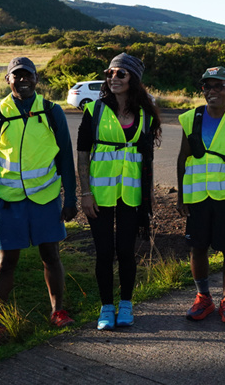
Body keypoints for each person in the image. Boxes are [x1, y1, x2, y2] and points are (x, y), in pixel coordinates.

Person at [0, 57, 78, 350]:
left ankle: (57, 312)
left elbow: (65, 159)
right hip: (9, 202)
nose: (22, 80)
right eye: (16, 76)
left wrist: (69, 199)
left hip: (45, 198)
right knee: (5, 263)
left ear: (36, 79)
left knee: (51, 256)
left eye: (28, 75)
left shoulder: (51, 111)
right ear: (7, 80)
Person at [77, 53, 161, 330]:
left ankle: (126, 304)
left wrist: (148, 200)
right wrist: (85, 194)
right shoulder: (94, 111)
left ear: (133, 79)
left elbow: (147, 160)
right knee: (103, 252)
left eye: (120, 74)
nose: (113, 78)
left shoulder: (146, 114)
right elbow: (82, 156)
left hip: (131, 195)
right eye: (110, 73)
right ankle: (106, 307)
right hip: (99, 196)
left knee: (125, 251)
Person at [177, 66, 225, 323]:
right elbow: (182, 158)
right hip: (196, 197)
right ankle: (203, 298)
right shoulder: (191, 117)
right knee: (197, 248)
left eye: (219, 86)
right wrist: (180, 195)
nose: (212, 91)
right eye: (207, 86)